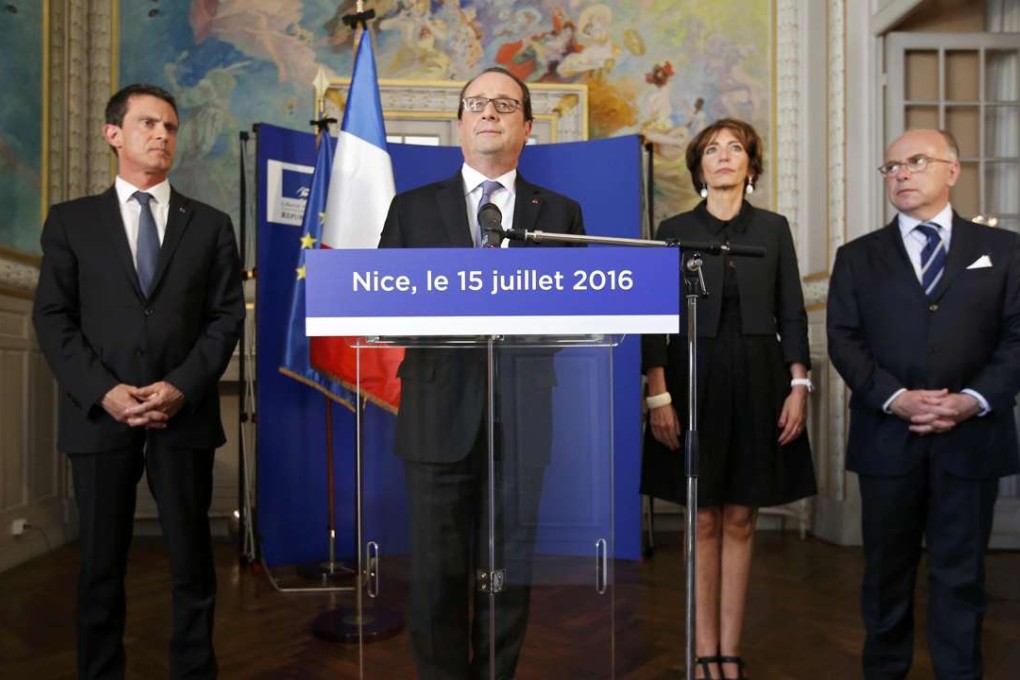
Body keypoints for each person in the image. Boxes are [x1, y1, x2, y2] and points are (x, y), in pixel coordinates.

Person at [32, 83, 245, 679]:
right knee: (100, 564)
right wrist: (105, 391)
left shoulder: (209, 225)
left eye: (171, 127)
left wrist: (180, 386)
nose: (162, 135)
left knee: (192, 565)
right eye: (149, 123)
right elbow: (52, 317)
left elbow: (225, 318)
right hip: (101, 417)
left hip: (186, 415)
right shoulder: (71, 222)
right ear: (114, 134)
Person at [378, 66, 585, 679]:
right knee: (438, 574)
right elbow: (386, 312)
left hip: (521, 420)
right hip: (437, 417)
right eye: (476, 103)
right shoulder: (411, 210)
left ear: (527, 126)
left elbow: (575, 318)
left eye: (504, 104)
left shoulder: (563, 213)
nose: (488, 113)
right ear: (460, 122)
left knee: (506, 572)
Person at [827, 128, 1020, 678]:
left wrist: (972, 400)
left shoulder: (1004, 251)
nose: (901, 174)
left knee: (961, 577)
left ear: (952, 170)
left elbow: (1017, 337)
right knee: (886, 575)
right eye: (890, 168)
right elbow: (843, 339)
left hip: (973, 439)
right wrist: (896, 398)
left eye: (914, 162)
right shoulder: (858, 257)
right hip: (888, 441)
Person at [641, 118, 816, 680]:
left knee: (742, 517)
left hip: (762, 380)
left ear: (750, 164)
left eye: (734, 148)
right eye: (711, 149)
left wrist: (799, 386)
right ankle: (701, 648)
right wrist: (658, 394)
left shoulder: (773, 228)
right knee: (704, 520)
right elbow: (655, 321)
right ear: (698, 166)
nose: (722, 156)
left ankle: (729, 654)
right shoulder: (672, 227)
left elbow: (791, 309)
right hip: (693, 380)